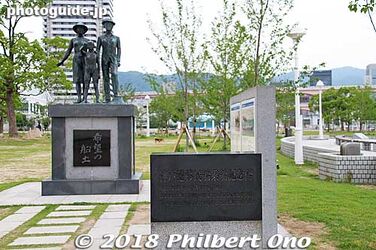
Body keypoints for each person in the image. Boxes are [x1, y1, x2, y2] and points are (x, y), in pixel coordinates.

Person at [57, 22, 89, 103]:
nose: (80, 29)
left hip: (85, 60)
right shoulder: (73, 40)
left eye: (81, 28)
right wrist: (62, 61)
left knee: (86, 79)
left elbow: (91, 51)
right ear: (76, 30)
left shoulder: (87, 40)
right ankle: (79, 98)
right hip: (76, 60)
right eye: (78, 28)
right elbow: (68, 51)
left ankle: (85, 98)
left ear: (84, 30)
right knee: (77, 80)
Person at [97, 17, 122, 103]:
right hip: (104, 59)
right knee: (106, 78)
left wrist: (118, 60)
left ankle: (116, 95)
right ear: (104, 26)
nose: (108, 26)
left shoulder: (116, 38)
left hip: (113, 59)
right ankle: (107, 98)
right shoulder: (101, 38)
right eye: (106, 24)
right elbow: (97, 50)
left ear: (112, 26)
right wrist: (96, 61)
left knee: (114, 74)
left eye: (110, 24)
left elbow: (119, 49)